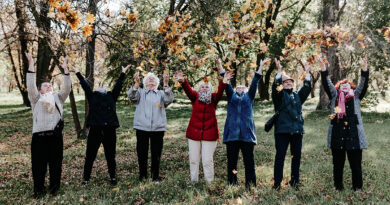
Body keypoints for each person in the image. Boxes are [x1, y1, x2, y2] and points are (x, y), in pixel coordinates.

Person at [318, 56, 369, 191]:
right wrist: (323, 68)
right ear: (338, 88)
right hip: (337, 133)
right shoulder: (335, 96)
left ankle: (357, 188)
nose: (344, 84)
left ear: (351, 87)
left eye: (347, 84)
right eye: (342, 84)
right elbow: (327, 83)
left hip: (354, 135)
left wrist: (364, 69)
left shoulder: (356, 95)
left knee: (356, 165)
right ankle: (338, 186)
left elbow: (363, 83)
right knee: (338, 164)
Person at [174, 68, 233, 183]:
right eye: (202, 86)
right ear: (199, 89)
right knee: (194, 160)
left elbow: (220, 91)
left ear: (211, 90)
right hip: (194, 134)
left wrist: (223, 81)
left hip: (209, 134)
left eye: (207, 87)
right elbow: (188, 89)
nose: (204, 88)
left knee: (207, 160)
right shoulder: (195, 97)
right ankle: (194, 181)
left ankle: (209, 182)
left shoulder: (213, 99)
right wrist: (183, 81)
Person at [26, 53, 72, 197]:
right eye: (45, 86)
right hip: (39, 137)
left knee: (55, 165)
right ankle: (38, 191)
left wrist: (66, 70)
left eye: (50, 85)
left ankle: (54, 189)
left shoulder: (58, 98)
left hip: (55, 137)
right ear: (40, 90)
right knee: (38, 167)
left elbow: (67, 88)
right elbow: (30, 86)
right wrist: (31, 63)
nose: (49, 87)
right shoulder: (36, 98)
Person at [75, 65, 130, 186]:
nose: (101, 87)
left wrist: (123, 73)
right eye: (99, 86)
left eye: (103, 86)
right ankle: (86, 178)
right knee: (90, 155)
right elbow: (84, 86)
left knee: (110, 155)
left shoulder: (111, 96)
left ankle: (113, 177)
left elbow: (118, 86)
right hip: (95, 129)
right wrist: (78, 73)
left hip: (109, 130)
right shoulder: (92, 95)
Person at [220, 58, 270, 187]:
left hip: (247, 135)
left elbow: (254, 82)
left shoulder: (249, 97)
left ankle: (251, 185)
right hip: (232, 135)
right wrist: (220, 66)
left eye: (243, 87)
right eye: (238, 87)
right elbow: (226, 82)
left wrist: (260, 67)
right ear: (235, 89)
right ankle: (232, 183)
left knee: (249, 162)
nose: (241, 88)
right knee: (232, 162)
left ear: (246, 90)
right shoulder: (231, 97)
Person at [271, 58, 312, 190]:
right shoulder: (278, 95)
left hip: (297, 131)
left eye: (290, 82)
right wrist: (279, 70)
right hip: (282, 131)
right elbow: (275, 86)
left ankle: (295, 181)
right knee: (280, 157)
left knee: (296, 157)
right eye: (285, 82)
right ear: (282, 84)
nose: (288, 83)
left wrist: (307, 72)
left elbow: (307, 88)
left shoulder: (297, 95)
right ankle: (277, 183)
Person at [128, 71, 174, 182]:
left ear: (157, 82)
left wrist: (166, 84)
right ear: (145, 82)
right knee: (142, 154)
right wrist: (136, 84)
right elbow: (131, 96)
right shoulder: (140, 92)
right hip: (142, 128)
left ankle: (155, 177)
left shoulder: (161, 94)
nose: (151, 80)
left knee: (156, 154)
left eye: (153, 78)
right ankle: (142, 176)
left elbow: (169, 100)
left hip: (158, 128)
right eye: (149, 78)